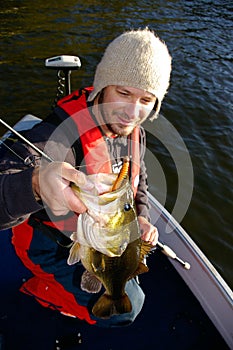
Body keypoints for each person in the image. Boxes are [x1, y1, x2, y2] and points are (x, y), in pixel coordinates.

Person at [0, 28, 172, 327]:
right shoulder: (55, 136)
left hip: (100, 240)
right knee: (126, 309)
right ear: (103, 86)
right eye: (123, 92)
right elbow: (9, 173)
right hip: (50, 245)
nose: (132, 112)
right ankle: (45, 293)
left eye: (146, 99)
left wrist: (142, 217)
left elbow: (138, 178)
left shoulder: (133, 131)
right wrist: (37, 184)